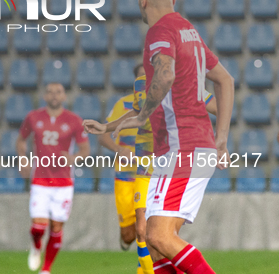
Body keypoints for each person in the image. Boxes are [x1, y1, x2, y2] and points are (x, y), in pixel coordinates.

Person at [108, 0, 234, 274]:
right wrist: (221, 139)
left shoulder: (160, 32)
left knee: (158, 236)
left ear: (142, 0)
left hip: (184, 149)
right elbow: (225, 80)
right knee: (153, 241)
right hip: (184, 149)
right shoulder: (188, 30)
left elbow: (165, 75)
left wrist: (141, 114)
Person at [85, 67, 218, 274]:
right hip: (147, 165)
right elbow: (140, 112)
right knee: (152, 239)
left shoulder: (185, 79)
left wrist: (218, 138)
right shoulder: (142, 84)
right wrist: (107, 127)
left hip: (175, 159)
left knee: (158, 235)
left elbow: (216, 106)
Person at [16, 82, 90, 274]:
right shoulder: (33, 118)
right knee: (38, 227)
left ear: (64, 96)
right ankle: (36, 245)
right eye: (50, 92)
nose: (54, 95)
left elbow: (85, 150)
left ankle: (46, 269)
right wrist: (23, 159)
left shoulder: (74, 120)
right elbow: (21, 139)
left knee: (56, 227)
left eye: (58, 92)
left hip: (64, 182)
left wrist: (72, 158)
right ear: (45, 96)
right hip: (40, 179)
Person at [99, 64, 144, 258]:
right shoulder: (123, 105)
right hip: (126, 177)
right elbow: (103, 135)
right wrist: (119, 149)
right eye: (142, 77)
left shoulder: (164, 104)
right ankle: (127, 238)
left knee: (147, 230)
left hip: (152, 176)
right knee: (130, 234)